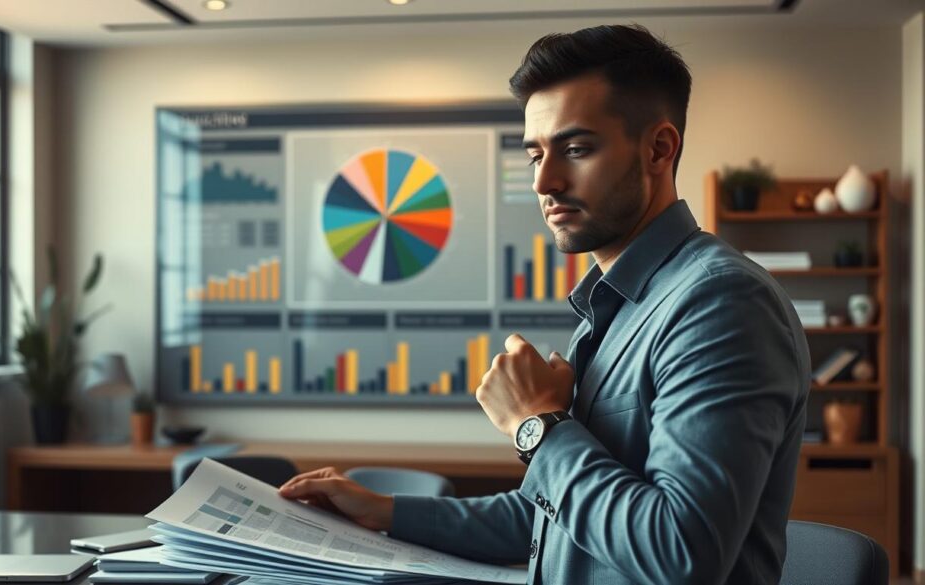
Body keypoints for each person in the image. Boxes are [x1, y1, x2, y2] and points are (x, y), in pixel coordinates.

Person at [279, 24, 810, 585]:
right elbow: (552, 518)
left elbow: (681, 553)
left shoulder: (719, 303)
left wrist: (536, 425)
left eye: (576, 149)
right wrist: (384, 512)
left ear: (659, 149)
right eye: (536, 154)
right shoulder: (612, 308)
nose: (545, 181)